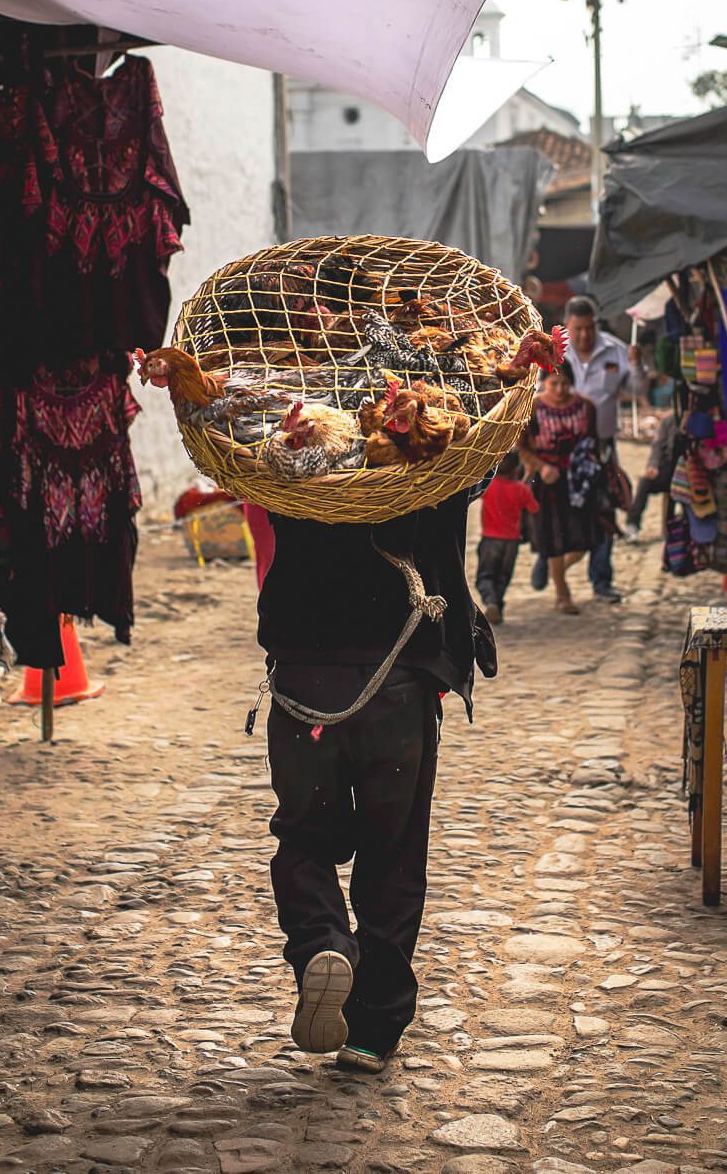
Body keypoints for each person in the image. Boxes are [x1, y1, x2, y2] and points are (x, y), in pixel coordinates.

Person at [256, 489, 496, 1073]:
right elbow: (487, 452)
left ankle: (322, 943)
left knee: (304, 838)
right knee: (394, 851)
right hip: (400, 680)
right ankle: (372, 1028)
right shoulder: (438, 450)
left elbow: (244, 471)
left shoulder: (284, 446)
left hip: (304, 678)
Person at [563, 296, 647, 602]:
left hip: (602, 444)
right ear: (567, 326)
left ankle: (601, 579)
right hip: (563, 445)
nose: (584, 335)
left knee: (604, 509)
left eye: (589, 328)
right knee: (559, 508)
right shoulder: (555, 351)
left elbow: (637, 392)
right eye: (578, 329)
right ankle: (552, 568)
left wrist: (637, 367)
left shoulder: (615, 350)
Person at [521, 361, 599, 615]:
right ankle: (562, 594)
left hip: (577, 480)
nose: (560, 389)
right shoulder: (532, 407)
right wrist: (540, 466)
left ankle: (555, 571)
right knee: (554, 537)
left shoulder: (586, 407)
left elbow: (592, 441)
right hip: (546, 481)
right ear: (544, 383)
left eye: (565, 383)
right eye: (554, 383)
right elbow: (521, 446)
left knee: (584, 538)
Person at [475, 451, 538, 625]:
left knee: (485, 576)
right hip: (511, 542)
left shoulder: (490, 486)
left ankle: (491, 602)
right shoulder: (521, 490)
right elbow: (533, 508)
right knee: (503, 577)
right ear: (517, 468)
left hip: (490, 539)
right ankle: (497, 607)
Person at [624, 411, 678, 542]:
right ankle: (633, 524)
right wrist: (653, 465)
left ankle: (670, 528)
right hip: (668, 469)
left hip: (689, 473)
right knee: (645, 483)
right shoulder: (670, 420)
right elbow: (658, 445)